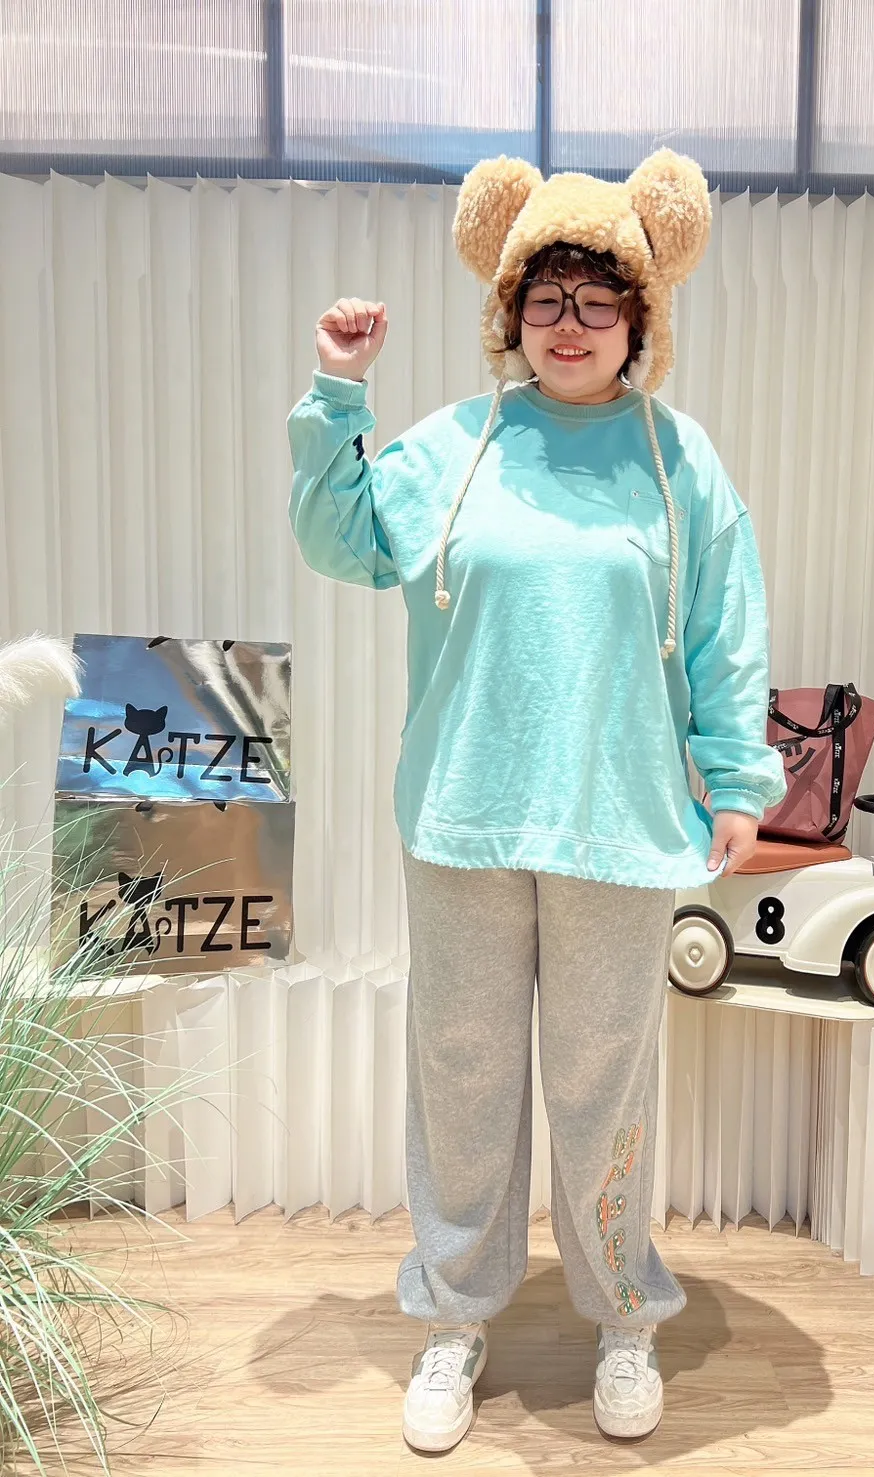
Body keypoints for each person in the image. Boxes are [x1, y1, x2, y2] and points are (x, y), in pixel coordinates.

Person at [286, 149, 787, 1452]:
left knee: (602, 1087)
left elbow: (726, 629)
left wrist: (738, 777)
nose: (570, 325)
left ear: (639, 316)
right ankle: (455, 1317)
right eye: (546, 298)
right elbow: (343, 539)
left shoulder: (679, 463)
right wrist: (338, 390)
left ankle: (624, 1317)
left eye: (597, 299)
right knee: (461, 1079)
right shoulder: (458, 446)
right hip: (464, 818)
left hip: (620, 826)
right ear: (509, 312)